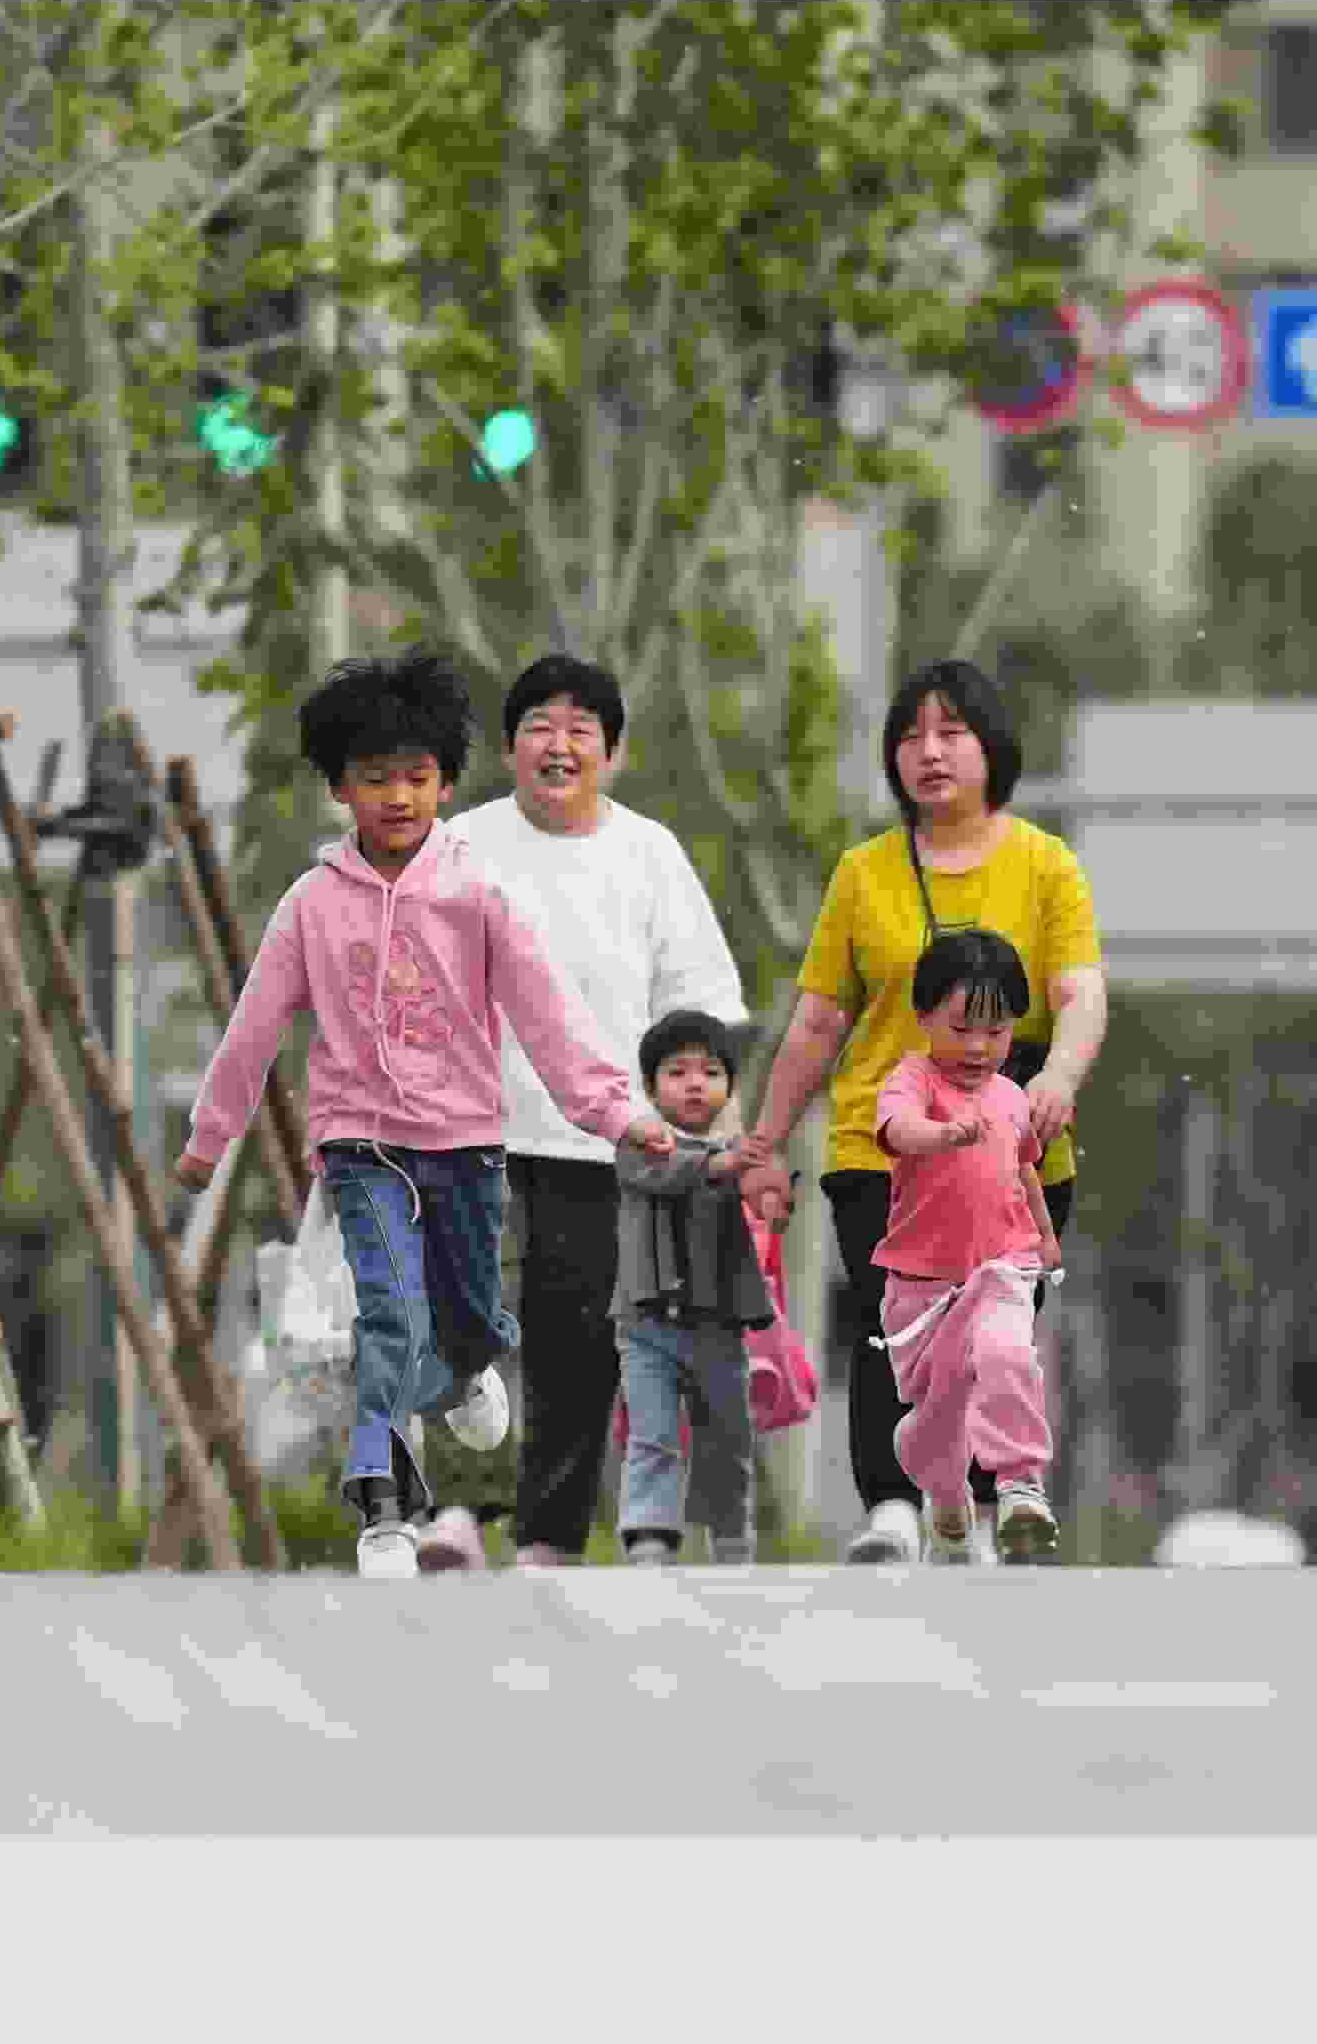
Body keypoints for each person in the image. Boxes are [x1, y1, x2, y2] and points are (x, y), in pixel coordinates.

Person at [175, 652, 677, 1580]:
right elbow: (254, 1029)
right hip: (361, 1147)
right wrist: (211, 1137)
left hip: (466, 1150)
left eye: (415, 776)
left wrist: (617, 1116)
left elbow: (550, 1021)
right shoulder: (311, 906)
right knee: (389, 1319)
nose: (397, 796)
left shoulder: (478, 894)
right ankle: (384, 1511)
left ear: (446, 783)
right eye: (374, 778)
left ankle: (470, 1366)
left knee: (470, 1318)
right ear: (340, 788)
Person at [735, 659, 1106, 1567]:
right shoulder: (865, 874)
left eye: (951, 732)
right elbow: (818, 1020)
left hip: (1014, 1155)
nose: (929, 752)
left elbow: (1081, 993)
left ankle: (979, 1505)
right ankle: (894, 1507)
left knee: (992, 1338)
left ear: (992, 747)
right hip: (884, 1148)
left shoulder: (1046, 866)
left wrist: (1059, 1076)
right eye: (910, 736)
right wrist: (765, 1140)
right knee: (889, 1327)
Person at [434, 655, 750, 1570]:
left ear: (612, 753)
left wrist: (711, 1136)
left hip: (606, 1141)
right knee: (464, 1323)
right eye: (539, 725)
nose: (559, 745)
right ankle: (458, 1508)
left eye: (580, 729)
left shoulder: (649, 854)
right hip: (472, 1131)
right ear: (509, 748)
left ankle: (547, 1535)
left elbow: (702, 1004)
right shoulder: (459, 848)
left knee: (577, 1346)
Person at [869, 929, 1067, 1564]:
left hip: (1004, 1265)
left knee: (1008, 1353)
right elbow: (897, 1129)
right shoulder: (912, 1080)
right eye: (961, 1028)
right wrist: (943, 1134)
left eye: (996, 1030)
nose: (979, 1047)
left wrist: (1045, 1237)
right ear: (924, 1016)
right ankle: (945, 1496)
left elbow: (1025, 1169)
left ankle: (1020, 1487)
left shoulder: (1012, 1097)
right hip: (923, 1285)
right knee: (939, 1418)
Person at [605, 1009, 768, 1566]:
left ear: (729, 1086)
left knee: (728, 1435)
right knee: (652, 1435)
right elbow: (668, 1171)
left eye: (711, 1072)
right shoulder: (638, 1142)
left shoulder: (742, 1150)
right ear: (651, 1088)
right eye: (677, 1072)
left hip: (719, 1324)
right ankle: (649, 1532)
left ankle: (730, 1534)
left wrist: (770, 1189)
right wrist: (723, 1164)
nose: (695, 1083)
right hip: (646, 1322)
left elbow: (765, 1192)